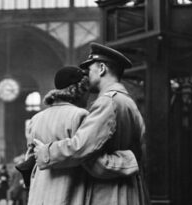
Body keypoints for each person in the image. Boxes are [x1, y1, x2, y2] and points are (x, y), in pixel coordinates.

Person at [33, 43, 150, 205]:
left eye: (90, 68)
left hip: (111, 194)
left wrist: (46, 152)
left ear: (102, 68)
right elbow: (144, 149)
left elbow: (81, 148)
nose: (87, 74)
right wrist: (131, 161)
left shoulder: (107, 102)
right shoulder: (129, 102)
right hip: (133, 191)